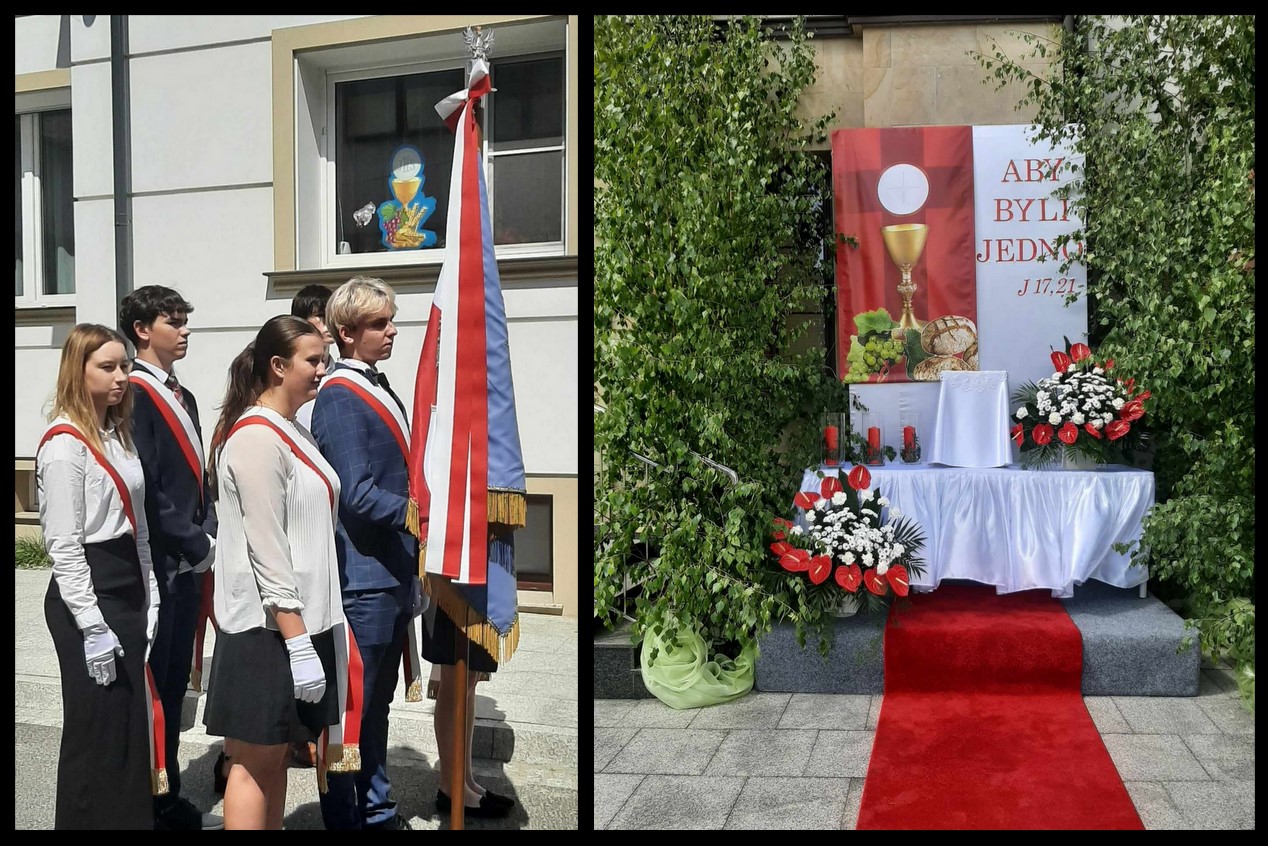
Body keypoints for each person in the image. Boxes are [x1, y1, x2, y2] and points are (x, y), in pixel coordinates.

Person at [202, 316, 343, 830]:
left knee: (276, 755)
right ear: (278, 366)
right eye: (313, 360)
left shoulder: (290, 429)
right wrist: (298, 642)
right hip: (268, 631)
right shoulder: (257, 438)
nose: (322, 369)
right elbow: (267, 546)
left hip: (298, 622)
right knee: (252, 763)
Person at [38, 324, 161, 829]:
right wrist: (91, 625)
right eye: (107, 367)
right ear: (78, 370)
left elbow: (139, 525)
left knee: (129, 728)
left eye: (124, 366)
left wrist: (150, 593)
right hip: (87, 594)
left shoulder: (117, 433)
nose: (121, 377)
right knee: (96, 729)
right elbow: (64, 547)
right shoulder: (64, 446)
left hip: (125, 583)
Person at [310, 277, 423, 829]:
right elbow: (355, 492)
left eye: (390, 319)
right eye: (380, 323)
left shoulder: (376, 385)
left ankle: (376, 809)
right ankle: (344, 817)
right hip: (364, 578)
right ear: (347, 332)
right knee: (351, 710)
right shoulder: (339, 395)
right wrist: (418, 514)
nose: (392, 330)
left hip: (391, 572)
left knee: (376, 707)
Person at [118, 285, 223, 830]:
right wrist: (196, 542)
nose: (184, 330)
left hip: (188, 559)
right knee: (157, 682)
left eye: (185, 320)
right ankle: (153, 802)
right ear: (142, 330)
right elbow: (149, 489)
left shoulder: (183, 395)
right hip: (160, 562)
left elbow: (195, 480)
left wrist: (209, 528)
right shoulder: (134, 393)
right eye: (173, 321)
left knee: (176, 679)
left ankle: (168, 793)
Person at [290, 284, 337, 433]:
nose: (330, 321)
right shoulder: (288, 371)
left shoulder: (340, 373)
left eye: (333, 315)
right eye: (322, 315)